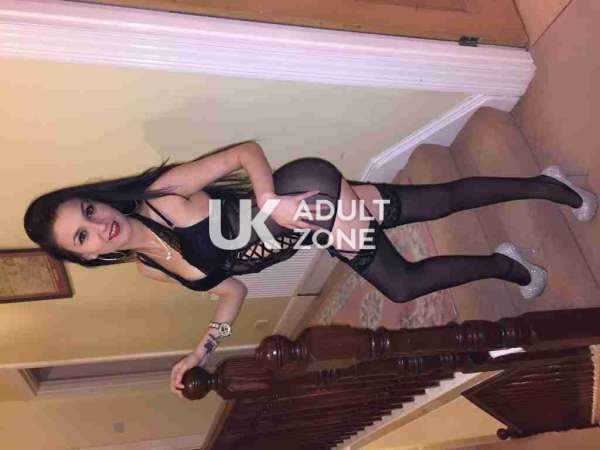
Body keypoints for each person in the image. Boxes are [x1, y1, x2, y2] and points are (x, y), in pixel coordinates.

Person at [24, 141, 597, 397]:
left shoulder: (163, 195)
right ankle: (515, 239)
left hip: (306, 193)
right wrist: (201, 350)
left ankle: (528, 224)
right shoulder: (153, 269)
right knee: (432, 209)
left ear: (96, 200)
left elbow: (245, 152)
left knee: (402, 280)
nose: (99, 227)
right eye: (83, 236)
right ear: (85, 257)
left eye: (89, 211)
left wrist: (270, 202)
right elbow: (232, 291)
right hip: (315, 226)